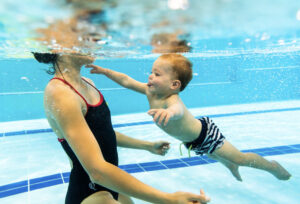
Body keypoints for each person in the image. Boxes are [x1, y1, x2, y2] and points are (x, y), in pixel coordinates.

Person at [33, 52, 210, 204]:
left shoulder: (87, 83)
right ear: (56, 47)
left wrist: (146, 146)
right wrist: (168, 199)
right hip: (90, 191)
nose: (90, 40)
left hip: (111, 183)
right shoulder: (60, 92)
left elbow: (101, 134)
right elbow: (96, 171)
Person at [86, 53, 292, 182]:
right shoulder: (151, 92)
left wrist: (168, 112)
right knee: (213, 155)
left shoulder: (172, 99)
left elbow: (178, 111)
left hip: (205, 134)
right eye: (151, 72)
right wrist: (105, 71)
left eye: (157, 74)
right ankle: (229, 164)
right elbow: (126, 80)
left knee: (239, 156)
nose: (150, 77)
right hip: (191, 141)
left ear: (174, 85)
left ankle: (270, 166)